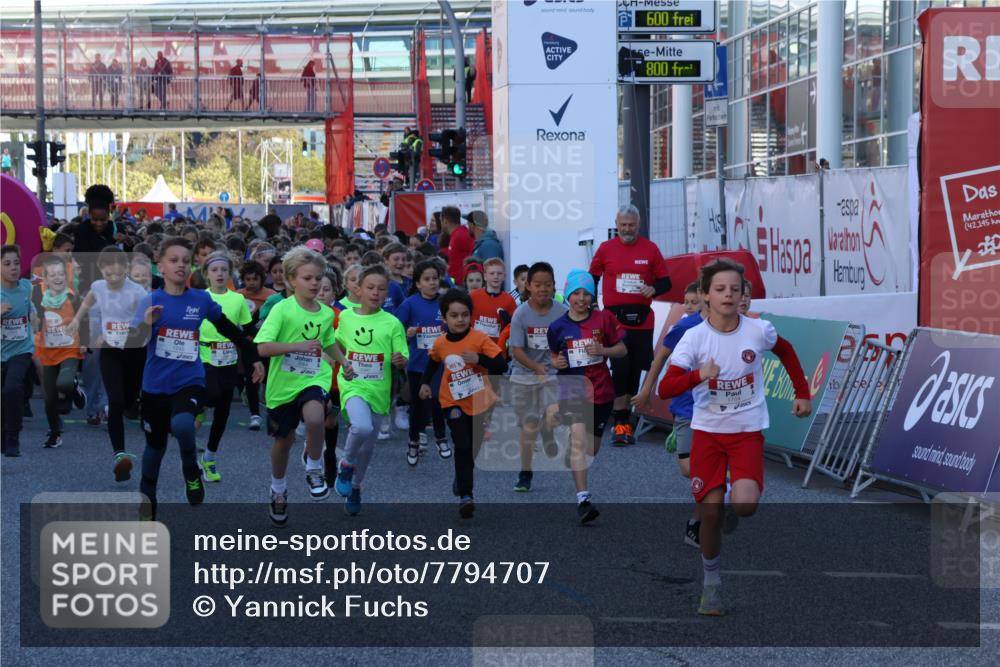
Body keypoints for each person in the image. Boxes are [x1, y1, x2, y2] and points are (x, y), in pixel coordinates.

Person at [657, 258, 811, 616]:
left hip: (745, 431)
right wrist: (698, 375)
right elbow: (666, 388)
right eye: (720, 289)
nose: (728, 294)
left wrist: (801, 393)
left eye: (734, 289)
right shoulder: (694, 338)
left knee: (745, 506)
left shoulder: (758, 331)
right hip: (708, 434)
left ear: (743, 295)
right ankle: (711, 587)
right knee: (711, 515)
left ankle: (728, 490)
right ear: (705, 296)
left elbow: (785, 351)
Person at [126, 237, 263, 519]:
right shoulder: (149, 301)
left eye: (185, 261)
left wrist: (252, 354)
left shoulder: (201, 299)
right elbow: (131, 343)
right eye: (174, 260)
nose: (180, 265)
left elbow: (229, 329)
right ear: (160, 265)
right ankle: (147, 503)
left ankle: (191, 470)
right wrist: (145, 324)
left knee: (184, 424)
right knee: (154, 449)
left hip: (190, 381)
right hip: (154, 387)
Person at [256, 248, 353, 526]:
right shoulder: (281, 310)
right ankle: (278, 489)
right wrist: (296, 345)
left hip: (313, 377)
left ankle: (313, 467)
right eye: (308, 278)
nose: (314, 284)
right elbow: (262, 347)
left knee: (314, 416)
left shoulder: (324, 314)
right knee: (283, 441)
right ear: (291, 280)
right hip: (282, 386)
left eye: (318, 278)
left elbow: (329, 341)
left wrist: (343, 361)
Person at [547, 270, 627, 524]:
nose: (581, 298)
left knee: (590, 448)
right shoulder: (557, 327)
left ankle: (574, 452)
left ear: (592, 296)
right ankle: (583, 498)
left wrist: (603, 349)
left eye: (586, 293)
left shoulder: (604, 319)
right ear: (568, 295)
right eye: (576, 293)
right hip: (572, 390)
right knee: (580, 443)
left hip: (601, 391)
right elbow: (553, 355)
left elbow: (622, 349)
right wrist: (557, 362)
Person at [419, 289, 507, 518]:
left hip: (480, 401)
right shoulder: (440, 343)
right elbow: (432, 362)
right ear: (445, 318)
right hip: (452, 401)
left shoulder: (479, 339)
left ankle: (462, 477)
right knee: (462, 444)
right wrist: (425, 384)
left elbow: (500, 365)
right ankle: (466, 496)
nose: (460, 320)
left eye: (465, 315)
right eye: (454, 315)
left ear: (471, 316)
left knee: (472, 448)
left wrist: (480, 359)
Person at [589, 204, 671, 446]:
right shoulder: (605, 249)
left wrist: (654, 288)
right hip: (614, 320)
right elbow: (591, 277)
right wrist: (592, 303)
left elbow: (666, 282)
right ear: (617, 224)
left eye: (631, 225)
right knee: (620, 367)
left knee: (635, 370)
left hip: (642, 320)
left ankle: (624, 421)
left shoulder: (650, 249)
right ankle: (619, 420)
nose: (626, 229)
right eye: (623, 225)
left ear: (638, 226)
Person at [632, 281, 705, 547]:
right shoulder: (685, 327)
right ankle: (718, 491)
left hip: (716, 409)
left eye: (694, 302)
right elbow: (660, 358)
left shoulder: (732, 325)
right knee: (688, 468)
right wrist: (646, 391)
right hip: (686, 405)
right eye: (688, 302)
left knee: (708, 469)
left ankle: (699, 520)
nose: (689, 306)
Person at [333, 265, 408, 516]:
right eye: (370, 287)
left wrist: (400, 359)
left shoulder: (392, 322)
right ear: (358, 289)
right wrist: (338, 364)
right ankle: (345, 464)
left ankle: (355, 486)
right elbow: (335, 344)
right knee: (361, 427)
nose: (375, 293)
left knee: (367, 448)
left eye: (381, 289)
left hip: (379, 390)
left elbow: (403, 355)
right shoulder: (346, 317)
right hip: (353, 384)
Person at [508, 261, 567, 492]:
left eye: (548, 285)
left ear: (554, 286)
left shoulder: (562, 313)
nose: (543, 289)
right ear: (529, 287)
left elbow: (567, 343)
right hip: (525, 374)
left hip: (553, 374)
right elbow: (517, 350)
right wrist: (535, 367)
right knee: (528, 427)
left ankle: (549, 428)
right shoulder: (520, 314)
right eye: (538, 285)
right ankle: (525, 471)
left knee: (555, 414)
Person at [197, 252, 252, 482]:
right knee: (212, 395)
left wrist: (253, 360)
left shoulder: (238, 300)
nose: (219, 274)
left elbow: (247, 332)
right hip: (203, 356)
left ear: (230, 273)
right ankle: (201, 406)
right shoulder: (200, 297)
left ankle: (209, 458)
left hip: (228, 359)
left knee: (223, 411)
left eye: (223, 270)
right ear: (206, 274)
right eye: (214, 270)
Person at [394, 259, 451, 465]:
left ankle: (441, 437)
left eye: (435, 278)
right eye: (427, 279)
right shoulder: (409, 304)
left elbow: (455, 326)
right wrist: (408, 334)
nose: (432, 283)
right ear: (417, 283)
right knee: (418, 404)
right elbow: (396, 331)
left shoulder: (445, 302)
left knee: (438, 399)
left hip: (439, 363)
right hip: (417, 363)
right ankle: (413, 440)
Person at [32, 255, 87, 449]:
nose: (57, 278)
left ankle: (74, 389)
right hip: (48, 351)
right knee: (49, 398)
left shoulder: (73, 297)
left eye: (61, 274)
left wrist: (85, 341)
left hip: (70, 348)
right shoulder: (39, 296)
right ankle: (55, 433)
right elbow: (35, 319)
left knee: (63, 383)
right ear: (45, 278)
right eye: (52, 274)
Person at [2, 245, 36, 457]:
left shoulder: (26, 287)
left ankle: (13, 436)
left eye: (16, 263)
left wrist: (35, 314)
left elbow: (37, 304)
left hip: (22, 349)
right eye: (7, 264)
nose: (13, 268)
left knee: (12, 389)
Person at [237, 261, 275, 431]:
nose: (251, 282)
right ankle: (255, 415)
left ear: (262, 278)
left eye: (254, 279)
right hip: (248, 343)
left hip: (267, 343)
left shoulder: (271, 296)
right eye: (247, 279)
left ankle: (271, 409)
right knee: (251, 379)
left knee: (268, 378)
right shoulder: (238, 296)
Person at [441, 206, 473, 282]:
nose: (441, 225)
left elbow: (475, 254)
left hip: (461, 283)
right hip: (456, 282)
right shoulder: (456, 235)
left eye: (441, 221)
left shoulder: (460, 235)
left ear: (445, 221)